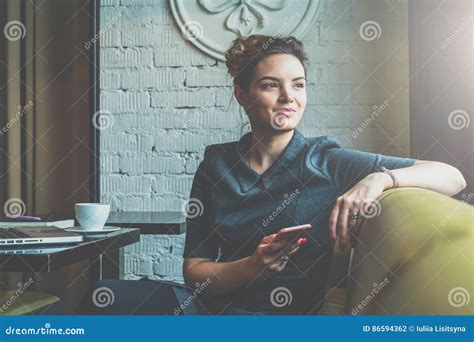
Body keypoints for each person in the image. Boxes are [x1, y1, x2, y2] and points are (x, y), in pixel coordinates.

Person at [79, 35, 466, 316]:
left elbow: (453, 176)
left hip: (283, 317)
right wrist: (254, 265)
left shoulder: (326, 160)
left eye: (298, 84)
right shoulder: (216, 164)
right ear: (242, 95)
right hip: (207, 308)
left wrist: (380, 179)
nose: (289, 97)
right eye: (270, 85)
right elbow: (194, 270)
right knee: (101, 295)